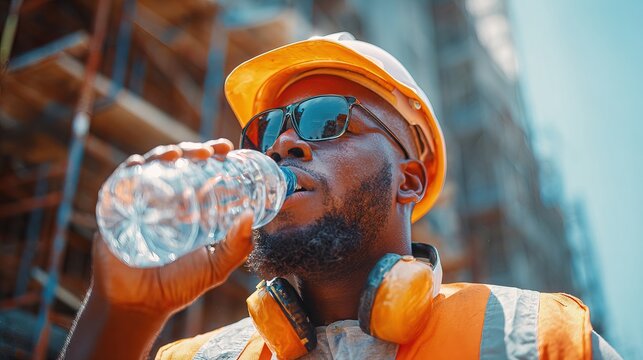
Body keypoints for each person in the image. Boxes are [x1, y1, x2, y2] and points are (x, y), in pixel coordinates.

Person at [63, 33, 620, 359]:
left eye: (327, 120)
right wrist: (120, 317)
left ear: (408, 179)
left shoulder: (544, 339)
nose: (283, 144)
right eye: (264, 129)